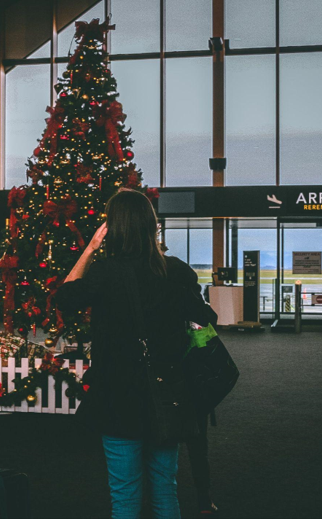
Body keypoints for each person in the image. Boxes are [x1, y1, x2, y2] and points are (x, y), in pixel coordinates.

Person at [55, 189, 217, 519]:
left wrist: (90, 248)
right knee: (164, 490)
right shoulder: (174, 271)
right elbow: (207, 319)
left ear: (114, 228)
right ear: (151, 226)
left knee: (125, 495)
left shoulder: (105, 273)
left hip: (118, 398)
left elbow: (65, 297)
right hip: (165, 394)